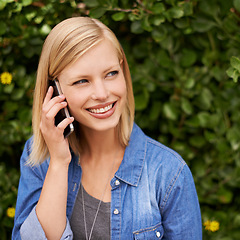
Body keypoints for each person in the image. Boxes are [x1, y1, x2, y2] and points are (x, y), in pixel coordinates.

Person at [12, 17, 202, 240]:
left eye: (111, 73)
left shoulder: (169, 173)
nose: (102, 94)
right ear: (54, 90)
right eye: (82, 81)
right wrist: (59, 162)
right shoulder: (40, 157)